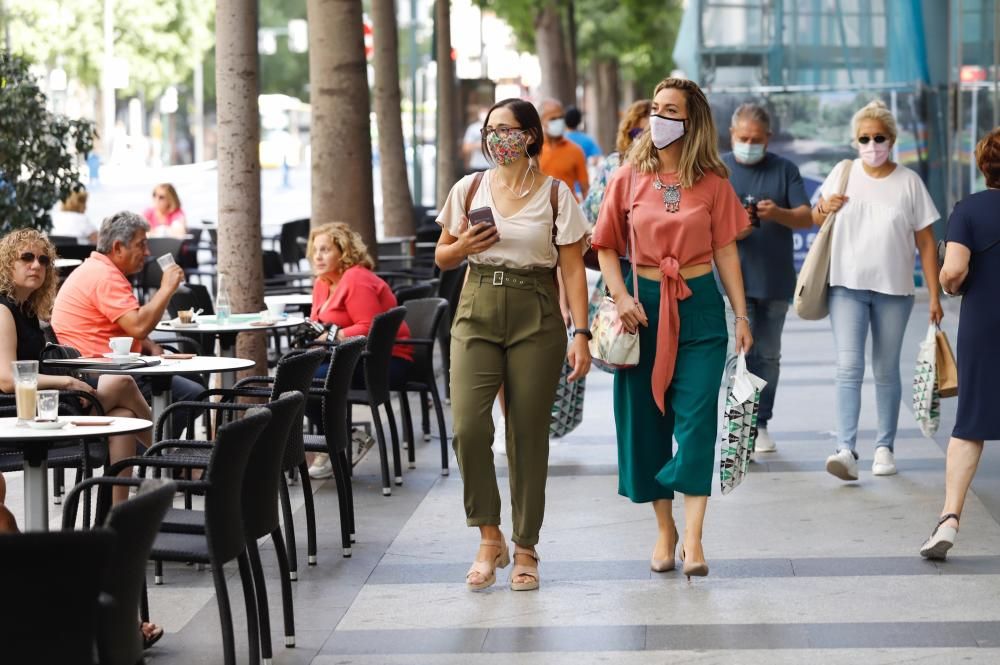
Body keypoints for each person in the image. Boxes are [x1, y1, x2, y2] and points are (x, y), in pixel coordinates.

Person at [592, 77, 752, 580]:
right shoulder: (627, 177)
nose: (658, 118)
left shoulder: (714, 181)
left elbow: (726, 249)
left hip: (700, 306)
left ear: (691, 120)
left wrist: (742, 314)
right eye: (655, 108)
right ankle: (666, 530)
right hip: (642, 309)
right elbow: (604, 245)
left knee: (699, 420)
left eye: (670, 110)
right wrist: (621, 298)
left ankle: (697, 539)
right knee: (645, 423)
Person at [435, 97, 591, 592]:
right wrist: (462, 247)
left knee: (526, 434)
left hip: (535, 309)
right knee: (467, 425)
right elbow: (442, 257)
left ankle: (525, 546)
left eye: (507, 129)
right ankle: (488, 535)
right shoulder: (469, 187)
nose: (497, 137)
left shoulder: (555, 194)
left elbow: (571, 268)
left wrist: (581, 333)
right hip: (477, 304)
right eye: (490, 129)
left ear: (529, 135)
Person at [814, 100, 942, 482]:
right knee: (848, 367)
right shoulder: (843, 172)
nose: (871, 144)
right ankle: (846, 449)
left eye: (879, 137)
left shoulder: (909, 182)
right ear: (855, 141)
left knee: (886, 369)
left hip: (894, 290)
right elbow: (815, 214)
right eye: (864, 138)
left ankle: (884, 447)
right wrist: (825, 205)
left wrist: (934, 295)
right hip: (846, 287)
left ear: (892, 139)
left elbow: (927, 242)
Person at [0, 228, 155, 505]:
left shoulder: (26, 310)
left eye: (44, 260)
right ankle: (163, 454)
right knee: (121, 382)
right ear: (7, 263)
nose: (37, 265)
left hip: (47, 404)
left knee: (124, 416)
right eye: (27, 257)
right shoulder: (3, 311)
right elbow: (7, 379)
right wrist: (69, 383)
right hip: (21, 415)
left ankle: (115, 519)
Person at [920, 128, 1000, 560]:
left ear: (985, 166)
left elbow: (951, 272)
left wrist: (952, 288)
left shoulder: (968, 210)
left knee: (970, 424)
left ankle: (949, 520)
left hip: (986, 321)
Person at [50, 211, 202, 437]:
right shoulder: (105, 276)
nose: (147, 252)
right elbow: (138, 325)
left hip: (99, 366)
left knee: (193, 382)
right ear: (118, 247)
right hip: (100, 371)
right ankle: (165, 453)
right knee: (195, 395)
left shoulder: (96, 269)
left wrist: (146, 342)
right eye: (142, 245)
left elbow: (126, 325)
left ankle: (163, 455)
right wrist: (166, 288)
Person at [721, 103, 812, 453]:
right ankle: (738, 423)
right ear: (732, 134)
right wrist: (736, 228)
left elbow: (806, 217)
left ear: (768, 138)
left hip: (773, 280)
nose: (749, 143)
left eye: (756, 139)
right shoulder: (718, 169)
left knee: (768, 356)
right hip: (731, 284)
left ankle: (760, 423)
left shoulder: (784, 169)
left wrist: (778, 213)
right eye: (743, 138)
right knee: (737, 356)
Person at [305, 222, 414, 479]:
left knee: (312, 381)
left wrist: (333, 335)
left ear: (343, 252)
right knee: (300, 378)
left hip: (385, 362)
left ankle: (336, 442)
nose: (317, 256)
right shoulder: (322, 283)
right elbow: (317, 323)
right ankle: (345, 438)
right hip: (351, 357)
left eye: (325, 250)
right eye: (315, 250)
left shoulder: (355, 278)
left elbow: (369, 327)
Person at [537, 99, 589, 199]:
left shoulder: (575, 150)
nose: (558, 122)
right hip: (540, 211)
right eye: (553, 119)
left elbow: (585, 189)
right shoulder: (532, 151)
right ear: (541, 121)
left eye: (561, 118)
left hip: (569, 210)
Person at [462, 106, 491, 174]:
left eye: (486, 112)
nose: (484, 115)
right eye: (482, 112)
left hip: (491, 166)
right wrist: (479, 145)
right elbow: (465, 148)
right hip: (476, 166)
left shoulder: (494, 127)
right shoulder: (473, 128)